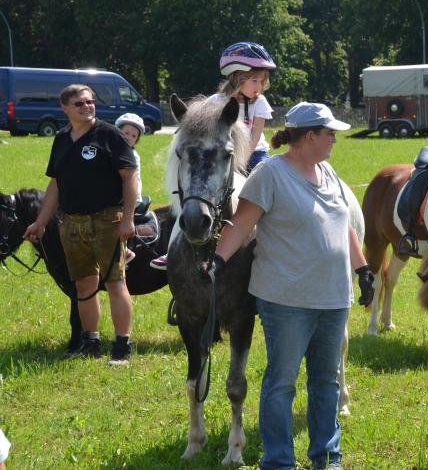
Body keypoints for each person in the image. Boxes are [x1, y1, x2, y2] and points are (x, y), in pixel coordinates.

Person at [211, 102, 375, 469]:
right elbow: (240, 224)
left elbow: (343, 224)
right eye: (330, 133)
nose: (335, 139)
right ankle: (278, 461)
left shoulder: (328, 171)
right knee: (281, 383)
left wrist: (363, 268)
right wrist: (217, 261)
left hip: (333, 297)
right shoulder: (270, 174)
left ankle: (326, 457)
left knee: (327, 382)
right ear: (310, 136)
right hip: (286, 301)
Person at [23, 84, 137, 364]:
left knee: (115, 282)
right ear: (65, 108)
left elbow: (129, 177)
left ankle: (122, 345)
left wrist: (128, 219)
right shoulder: (61, 139)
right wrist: (41, 222)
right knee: (84, 286)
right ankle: (91, 342)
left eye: (89, 102)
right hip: (71, 223)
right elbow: (55, 184)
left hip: (107, 220)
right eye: (80, 103)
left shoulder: (109, 135)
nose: (87, 106)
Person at [152, 41, 277, 270]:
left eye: (262, 81)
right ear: (237, 77)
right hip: (219, 156)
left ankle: (272, 245)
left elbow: (255, 136)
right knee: (189, 193)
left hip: (254, 154)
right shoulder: (216, 102)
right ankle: (173, 250)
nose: (259, 87)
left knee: (270, 194)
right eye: (254, 81)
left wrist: (240, 163)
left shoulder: (261, 103)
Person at [115, 113, 145, 262]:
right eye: (126, 133)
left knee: (114, 218)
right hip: (117, 193)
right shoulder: (112, 150)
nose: (129, 137)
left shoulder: (132, 155)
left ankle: (124, 250)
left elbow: (131, 180)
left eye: (134, 136)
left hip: (130, 195)